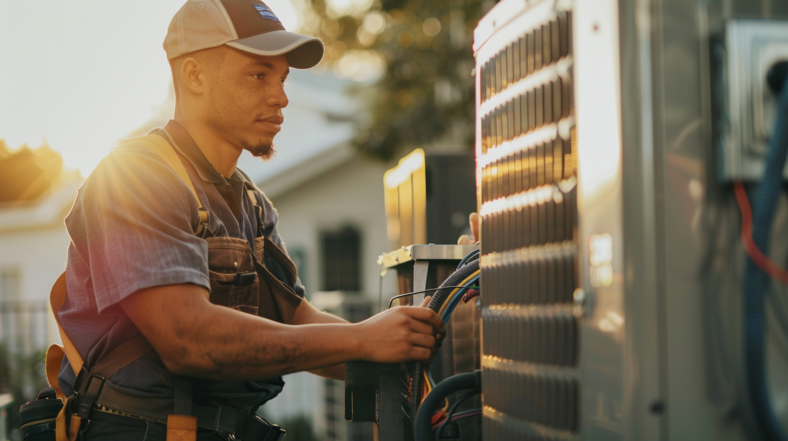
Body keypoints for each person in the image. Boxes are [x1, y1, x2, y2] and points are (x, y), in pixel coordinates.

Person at [52, 1, 462, 439]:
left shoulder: (249, 202)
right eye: (258, 75)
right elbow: (188, 338)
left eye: (282, 79)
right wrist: (362, 339)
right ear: (194, 75)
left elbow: (296, 322)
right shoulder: (136, 177)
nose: (281, 96)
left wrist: (400, 353)